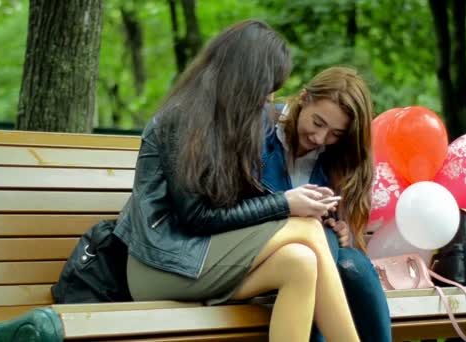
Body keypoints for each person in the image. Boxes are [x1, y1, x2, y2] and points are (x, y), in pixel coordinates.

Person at [112, 20, 360, 341]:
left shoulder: (242, 124)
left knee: (301, 263)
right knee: (308, 230)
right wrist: (286, 203)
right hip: (160, 265)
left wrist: (297, 205)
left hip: (204, 258)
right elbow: (198, 218)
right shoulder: (180, 121)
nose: (271, 98)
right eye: (268, 87)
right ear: (245, 81)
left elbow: (237, 208)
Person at [262, 66, 391, 342]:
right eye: (318, 123)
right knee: (323, 247)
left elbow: (349, 233)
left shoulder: (338, 159)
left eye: (335, 133)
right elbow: (240, 206)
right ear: (304, 98)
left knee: (352, 262)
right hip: (266, 255)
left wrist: (344, 231)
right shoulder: (261, 132)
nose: (320, 139)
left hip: (321, 257)